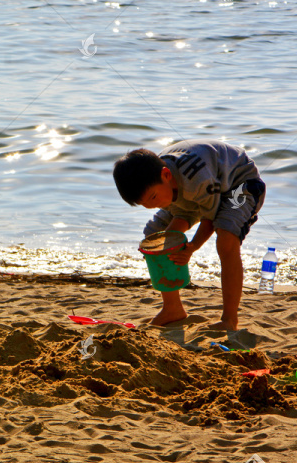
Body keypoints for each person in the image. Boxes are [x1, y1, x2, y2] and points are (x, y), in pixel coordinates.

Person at [112, 139, 266, 330]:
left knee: (226, 238)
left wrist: (192, 247)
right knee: (154, 235)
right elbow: (185, 212)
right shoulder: (160, 181)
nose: (152, 205)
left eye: (153, 198)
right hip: (192, 191)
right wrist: (166, 242)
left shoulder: (197, 178)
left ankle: (229, 319)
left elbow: (209, 218)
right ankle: (172, 308)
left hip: (239, 184)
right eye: (145, 204)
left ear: (166, 175)